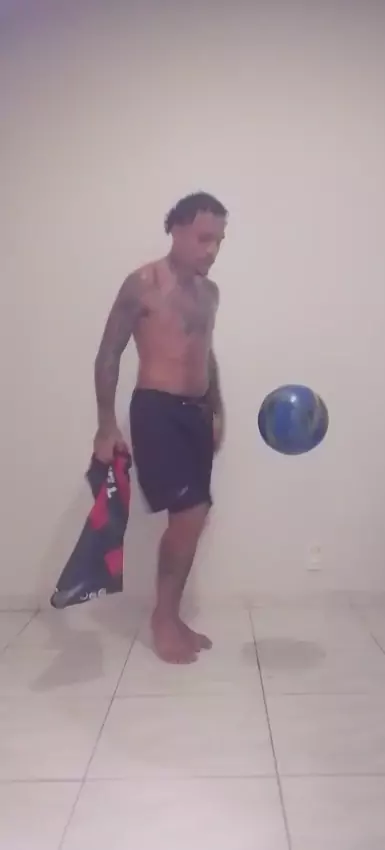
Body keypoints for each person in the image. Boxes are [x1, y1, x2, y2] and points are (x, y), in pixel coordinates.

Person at [93, 192, 227, 663]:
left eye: (219, 240)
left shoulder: (210, 293)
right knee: (189, 515)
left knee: (195, 515)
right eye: (204, 238)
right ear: (176, 229)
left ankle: (171, 615)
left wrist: (217, 409)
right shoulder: (143, 283)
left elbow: (205, 352)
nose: (212, 249)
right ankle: (163, 619)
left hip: (196, 413)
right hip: (157, 410)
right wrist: (106, 426)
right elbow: (109, 353)